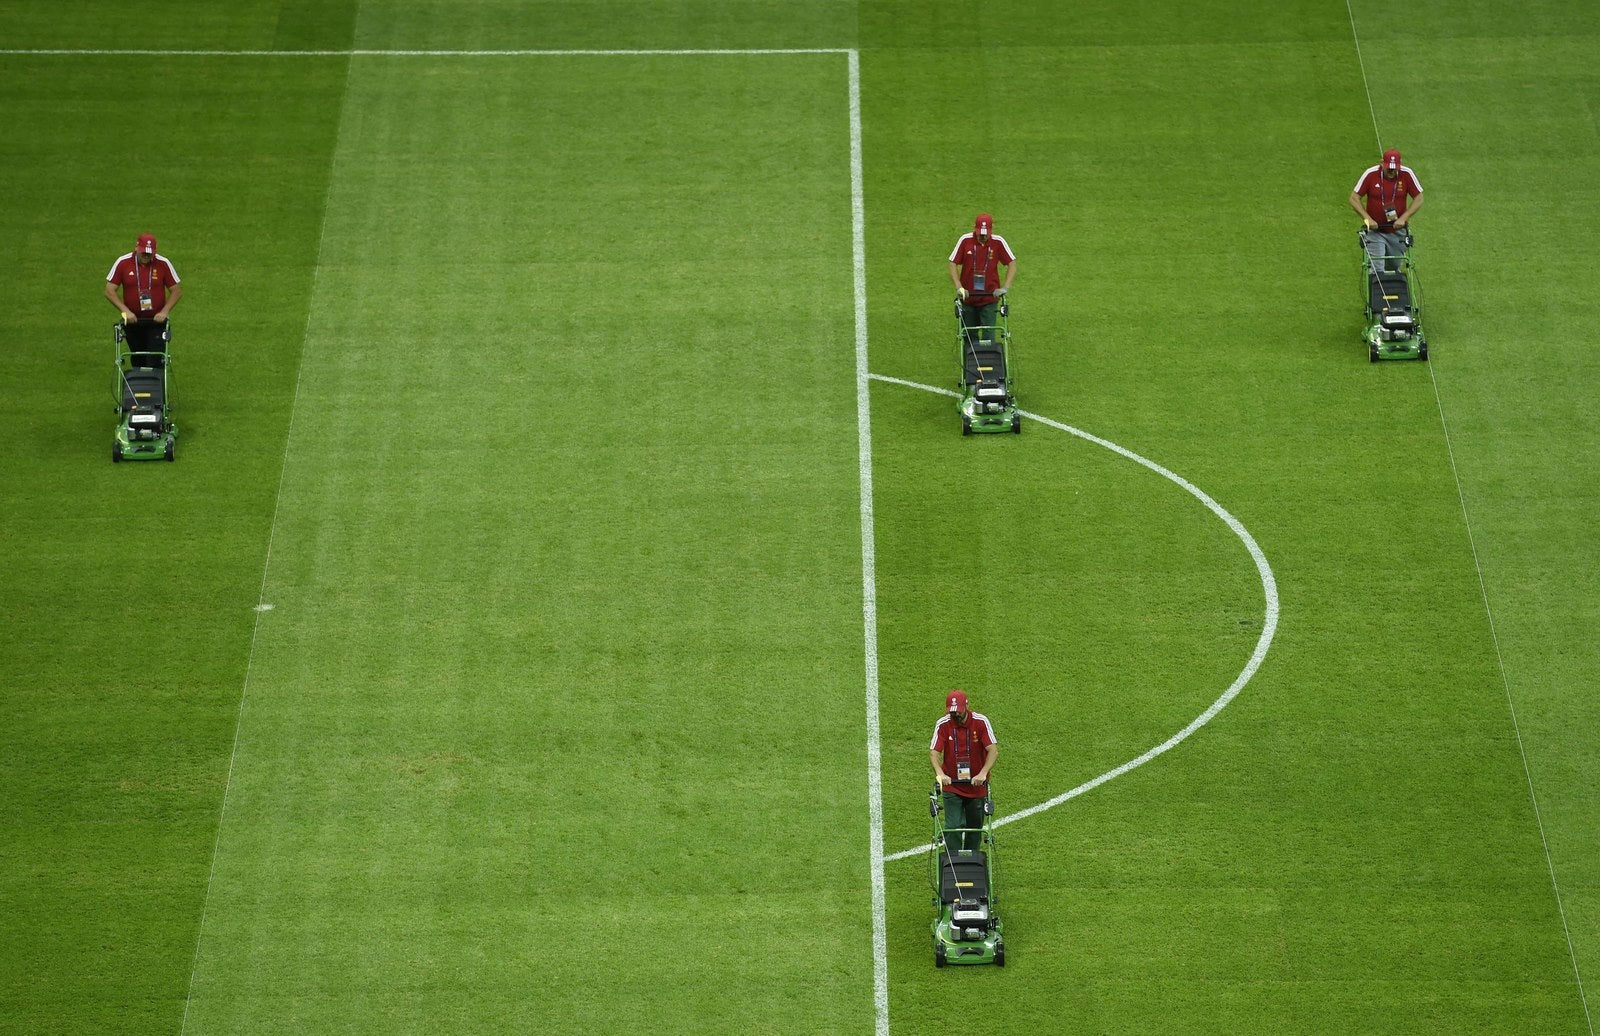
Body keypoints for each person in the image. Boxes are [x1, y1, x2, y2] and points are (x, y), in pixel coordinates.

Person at [929, 689, 998, 855]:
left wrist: (983, 773)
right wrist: (940, 774)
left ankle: (971, 861)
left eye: (958, 711)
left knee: (975, 829)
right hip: (952, 786)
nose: (955, 715)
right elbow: (934, 753)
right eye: (952, 712)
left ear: (966, 706)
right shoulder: (943, 724)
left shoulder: (980, 722)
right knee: (952, 826)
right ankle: (952, 861)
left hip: (976, 786)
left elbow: (993, 751)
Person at [105, 233, 182, 362]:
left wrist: (164, 312)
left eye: (149, 253)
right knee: (137, 358)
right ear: (136, 248)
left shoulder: (163, 263)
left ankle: (155, 374)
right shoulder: (123, 262)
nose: (146, 255)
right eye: (143, 252)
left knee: (155, 359)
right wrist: (125, 311)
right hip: (132, 321)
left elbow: (176, 291)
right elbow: (109, 290)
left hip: (156, 321)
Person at [1349, 149, 1424, 272]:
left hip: (1398, 231)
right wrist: (1367, 219)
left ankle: (1395, 284)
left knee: (1394, 266)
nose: (1391, 171)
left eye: (1394, 168)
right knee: (1377, 268)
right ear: (1382, 163)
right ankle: (1377, 284)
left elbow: (1419, 198)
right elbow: (1354, 198)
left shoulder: (1407, 174)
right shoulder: (1371, 174)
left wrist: (1403, 218)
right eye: (1388, 168)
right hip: (1375, 231)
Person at [948, 213, 1015, 347]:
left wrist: (1005, 288)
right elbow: (952, 263)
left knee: (988, 336)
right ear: (975, 228)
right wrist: (959, 287)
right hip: (968, 298)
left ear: (991, 230)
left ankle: (988, 359)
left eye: (985, 234)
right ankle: (970, 361)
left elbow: (1012, 263)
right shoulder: (965, 240)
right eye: (980, 234)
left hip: (989, 298)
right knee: (969, 336)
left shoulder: (998, 242)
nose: (983, 237)